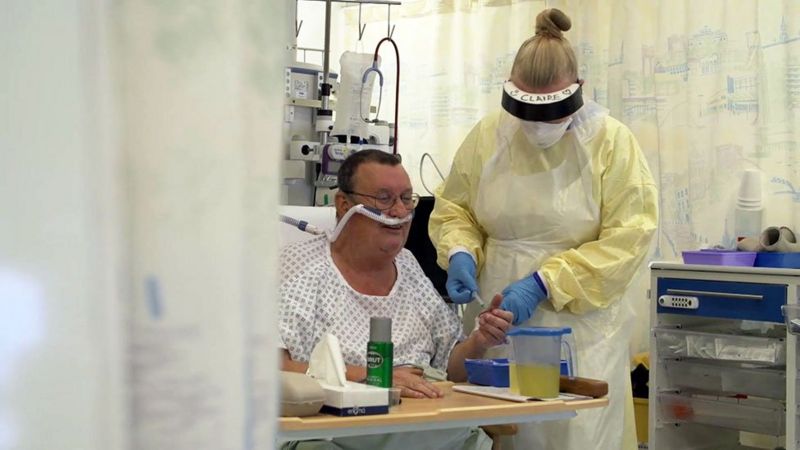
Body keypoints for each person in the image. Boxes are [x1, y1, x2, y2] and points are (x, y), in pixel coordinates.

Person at [428, 8, 658, 450]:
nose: (536, 128)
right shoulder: (489, 135)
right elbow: (455, 207)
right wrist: (459, 251)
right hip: (496, 318)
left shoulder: (610, 142)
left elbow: (629, 238)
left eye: (550, 113)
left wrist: (544, 283)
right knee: (502, 431)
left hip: (581, 327)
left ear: (578, 91)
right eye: (526, 112)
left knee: (573, 434)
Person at [279, 149, 514, 450]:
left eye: (406, 199)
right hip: (339, 432)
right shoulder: (299, 267)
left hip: (432, 429)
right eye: (384, 198)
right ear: (344, 204)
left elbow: (452, 369)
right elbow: (271, 368)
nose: (399, 211)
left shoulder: (408, 265)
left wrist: (480, 340)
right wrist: (374, 377)